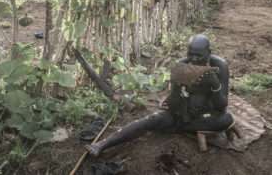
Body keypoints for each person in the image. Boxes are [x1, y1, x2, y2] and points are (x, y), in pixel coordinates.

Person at [86, 34, 236, 156]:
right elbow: (174, 102)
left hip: (208, 114)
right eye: (191, 54)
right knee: (150, 120)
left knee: (226, 119)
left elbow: (222, 105)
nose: (194, 59)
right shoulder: (181, 65)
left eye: (199, 56)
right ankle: (102, 144)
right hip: (184, 113)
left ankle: (177, 127)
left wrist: (214, 84)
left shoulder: (220, 66)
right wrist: (177, 87)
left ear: (209, 53)